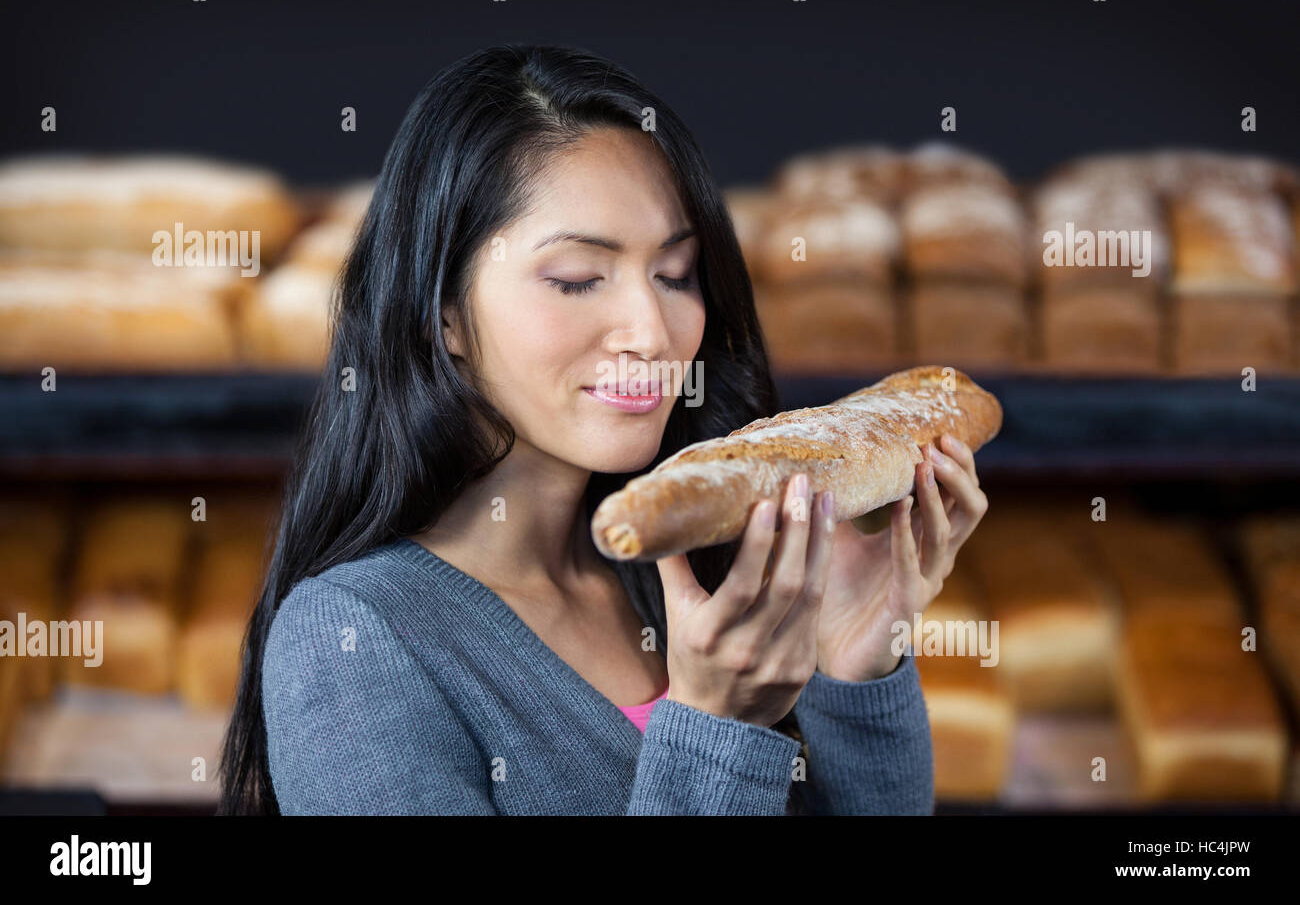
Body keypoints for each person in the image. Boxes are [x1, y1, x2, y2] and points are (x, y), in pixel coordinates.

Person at [218, 43, 988, 815]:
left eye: (676, 275)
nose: (651, 331)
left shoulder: (693, 572)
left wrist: (853, 666)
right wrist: (711, 727)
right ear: (443, 313)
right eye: (579, 279)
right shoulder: (350, 641)